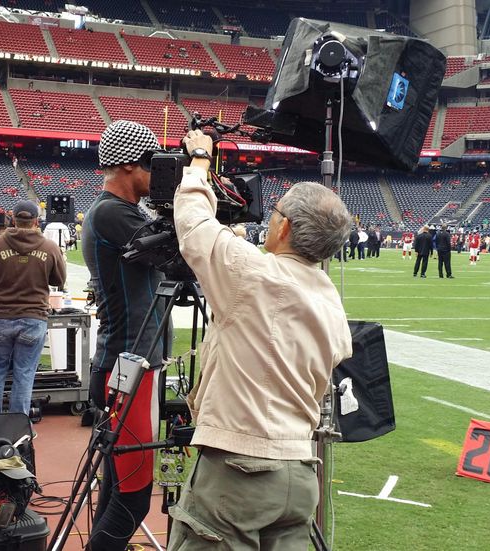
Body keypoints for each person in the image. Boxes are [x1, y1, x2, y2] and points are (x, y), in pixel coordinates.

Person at [168, 130, 353, 551]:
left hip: (239, 469)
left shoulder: (253, 274)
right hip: (299, 473)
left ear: (284, 226)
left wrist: (200, 159)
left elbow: (194, 224)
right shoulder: (328, 297)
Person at [81, 120, 166, 550]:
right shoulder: (112, 213)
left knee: (117, 489)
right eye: (155, 164)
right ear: (131, 164)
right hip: (130, 368)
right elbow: (182, 255)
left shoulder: (116, 212)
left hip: (126, 365)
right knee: (133, 498)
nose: (160, 174)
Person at [0, 200, 66, 415]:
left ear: (13, 219)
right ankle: (19, 426)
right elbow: (59, 280)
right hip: (34, 317)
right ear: (36, 221)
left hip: (0, 315)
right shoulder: (49, 247)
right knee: (24, 376)